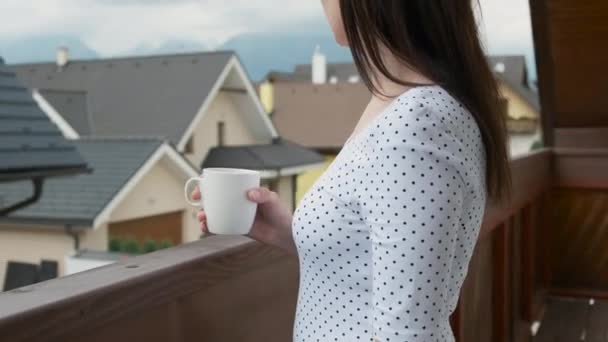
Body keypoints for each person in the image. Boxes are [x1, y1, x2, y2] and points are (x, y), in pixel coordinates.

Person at [193, 0, 512, 340]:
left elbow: (407, 332)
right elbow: (374, 261)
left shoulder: (417, 125)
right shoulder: (403, 105)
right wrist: (288, 230)